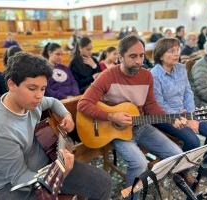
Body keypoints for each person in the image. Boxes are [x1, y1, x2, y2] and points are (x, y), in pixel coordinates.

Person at [0, 52, 112, 200]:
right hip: (13, 187)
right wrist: (59, 171)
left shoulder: (31, 102)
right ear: (11, 84)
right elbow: (19, 178)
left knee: (103, 182)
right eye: (32, 88)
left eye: (42, 89)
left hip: (47, 164)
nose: (39, 96)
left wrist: (66, 115)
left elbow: (53, 102)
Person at [77, 35, 184, 199]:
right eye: (133, 56)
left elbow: (150, 105)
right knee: (140, 163)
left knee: (175, 154)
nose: (139, 61)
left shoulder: (146, 76)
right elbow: (83, 104)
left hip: (140, 125)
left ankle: (149, 182)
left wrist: (171, 118)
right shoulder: (108, 76)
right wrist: (112, 116)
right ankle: (131, 196)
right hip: (115, 131)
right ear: (120, 57)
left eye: (141, 56)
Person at [151, 38, 207, 184]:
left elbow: (188, 93)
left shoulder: (181, 68)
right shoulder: (154, 74)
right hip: (165, 117)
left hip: (186, 112)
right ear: (160, 55)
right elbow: (159, 104)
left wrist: (191, 116)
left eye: (177, 50)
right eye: (171, 51)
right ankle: (182, 171)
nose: (176, 54)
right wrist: (181, 117)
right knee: (193, 140)